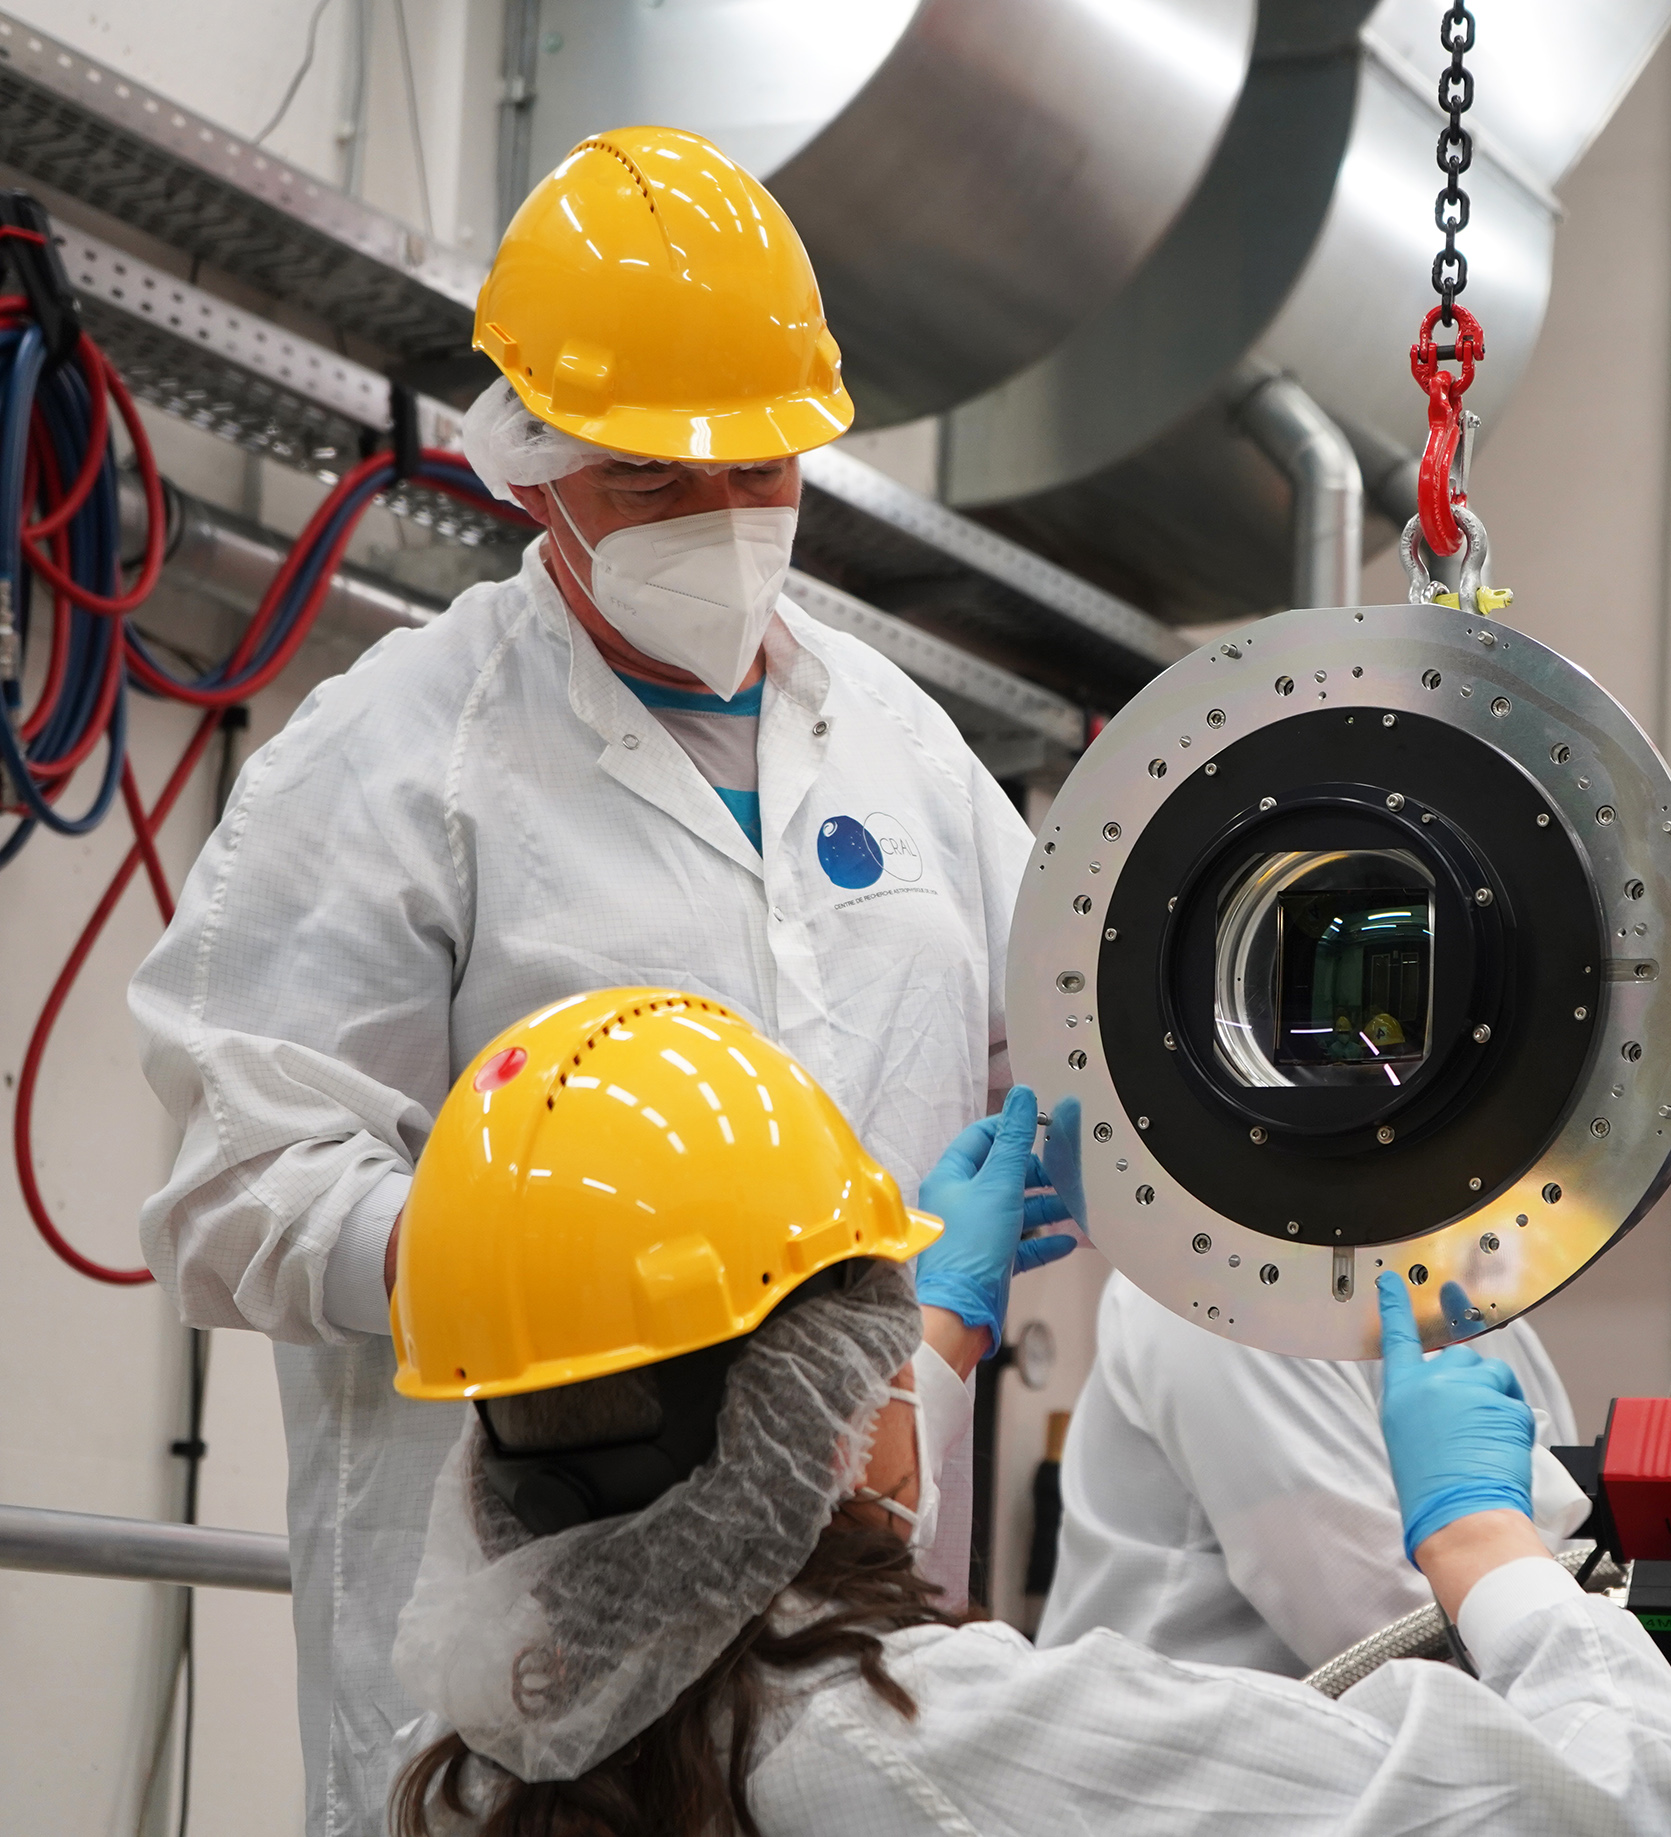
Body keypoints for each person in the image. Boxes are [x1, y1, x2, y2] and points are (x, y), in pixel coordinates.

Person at [128, 127, 1054, 1834]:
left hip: (856, 1649)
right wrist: (564, 1257)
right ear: (530, 467)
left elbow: (1054, 1046)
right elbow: (232, 1193)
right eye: (652, 482)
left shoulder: (905, 748)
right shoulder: (395, 760)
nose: (723, 520)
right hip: (524, 1702)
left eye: (760, 471)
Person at [383, 994, 1671, 1836]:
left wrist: (936, 1337)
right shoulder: (949, 1743)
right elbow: (1651, 1811)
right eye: (877, 1327)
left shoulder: (493, 1755)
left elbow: (734, 1528)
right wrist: (1482, 1546)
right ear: (827, 1400)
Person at [1037, 1270, 1586, 1673]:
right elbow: (1380, 1634)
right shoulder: (1219, 1290)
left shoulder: (1479, 1301)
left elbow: (1578, 1563)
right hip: (1179, 1758)